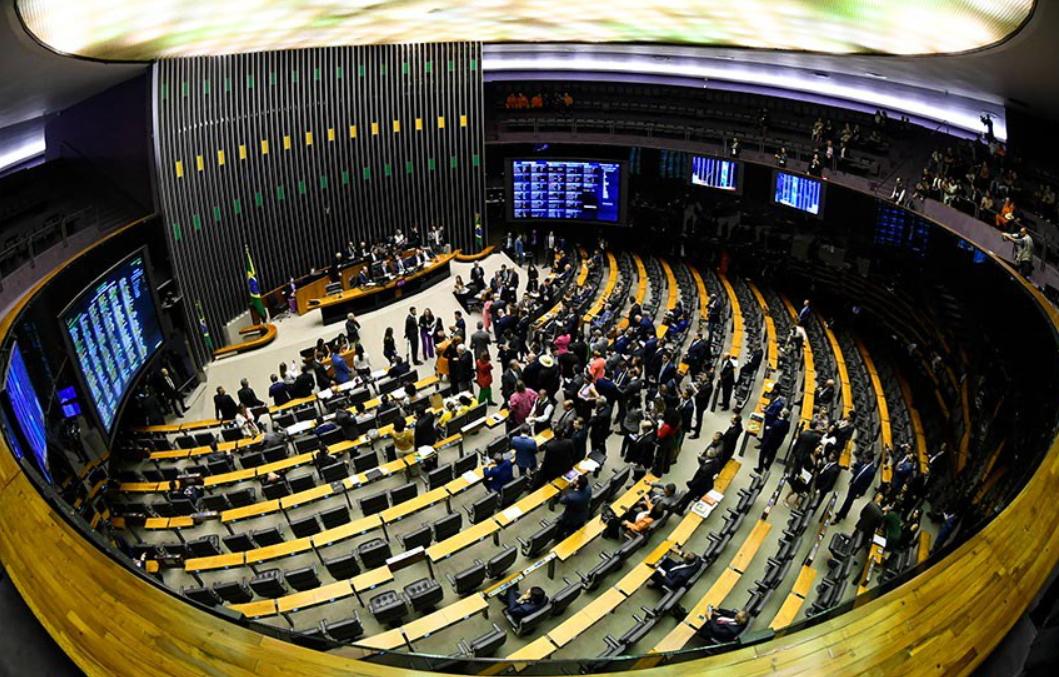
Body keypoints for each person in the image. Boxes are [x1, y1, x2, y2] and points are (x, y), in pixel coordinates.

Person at [756, 408, 790, 474]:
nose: (780, 411)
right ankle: (767, 466)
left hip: (770, 441)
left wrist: (768, 428)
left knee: (762, 454)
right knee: (772, 454)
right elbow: (786, 432)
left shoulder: (777, 423)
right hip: (778, 442)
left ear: (782, 415)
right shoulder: (787, 423)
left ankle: (760, 469)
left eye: (781, 411)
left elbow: (770, 433)